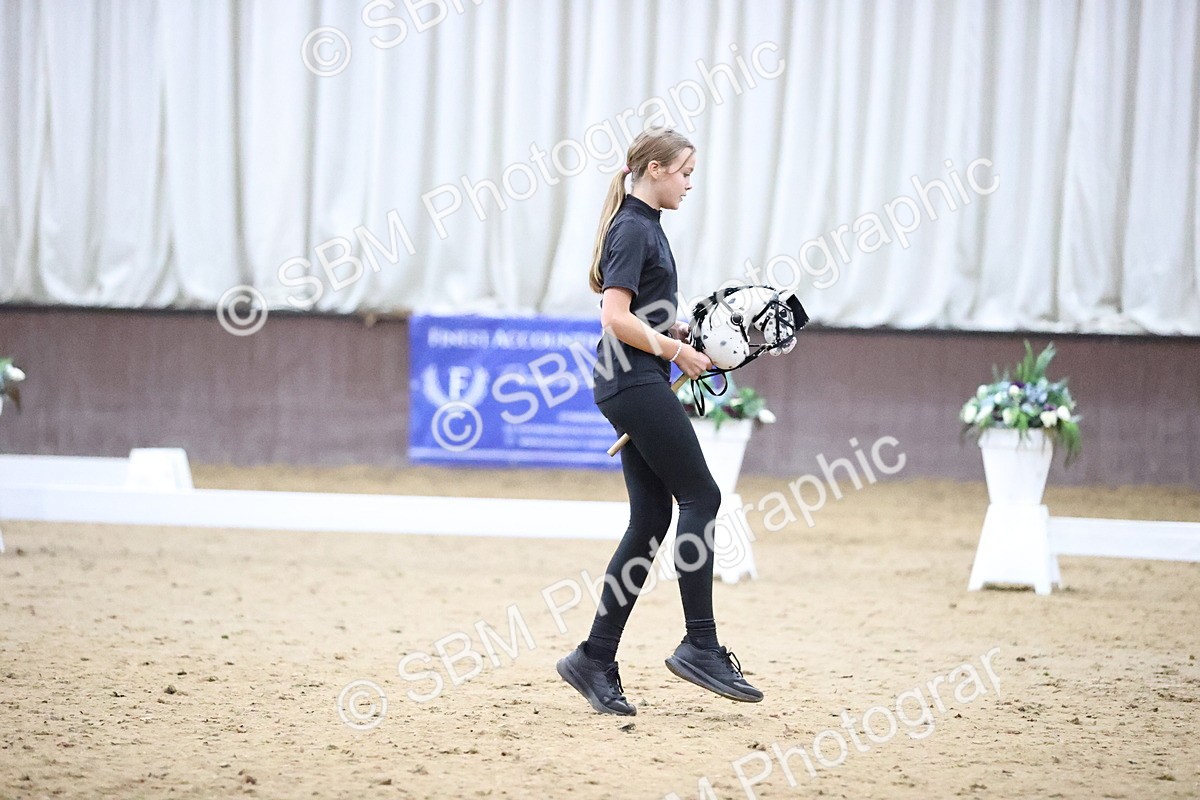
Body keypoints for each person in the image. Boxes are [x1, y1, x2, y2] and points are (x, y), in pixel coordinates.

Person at [556, 129, 763, 716]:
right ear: (654, 168)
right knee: (702, 495)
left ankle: (594, 659)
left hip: (634, 378)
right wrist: (676, 355)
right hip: (633, 381)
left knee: (652, 518)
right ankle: (700, 643)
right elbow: (614, 316)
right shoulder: (632, 227)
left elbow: (641, 312)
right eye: (685, 171)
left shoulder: (646, 226)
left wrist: (675, 333)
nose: (690, 183)